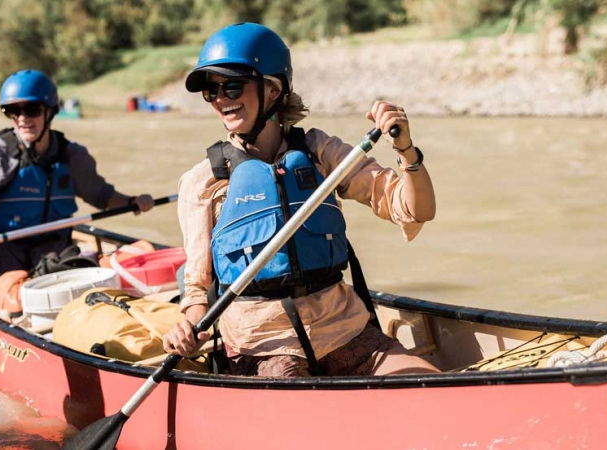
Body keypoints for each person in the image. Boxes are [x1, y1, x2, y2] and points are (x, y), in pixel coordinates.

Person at [162, 22, 439, 377]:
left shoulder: (320, 151)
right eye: (211, 91)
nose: (221, 98)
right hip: (262, 347)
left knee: (426, 381)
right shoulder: (203, 182)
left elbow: (418, 210)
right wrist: (188, 329)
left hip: (346, 332)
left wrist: (405, 149)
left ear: (274, 89)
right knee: (297, 395)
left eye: (232, 85)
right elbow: (198, 289)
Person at [0, 69, 155, 285]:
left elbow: (101, 196)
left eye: (31, 110)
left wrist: (132, 202)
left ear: (50, 112)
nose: (22, 119)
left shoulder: (72, 156)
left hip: (55, 259)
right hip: (3, 264)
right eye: (13, 111)